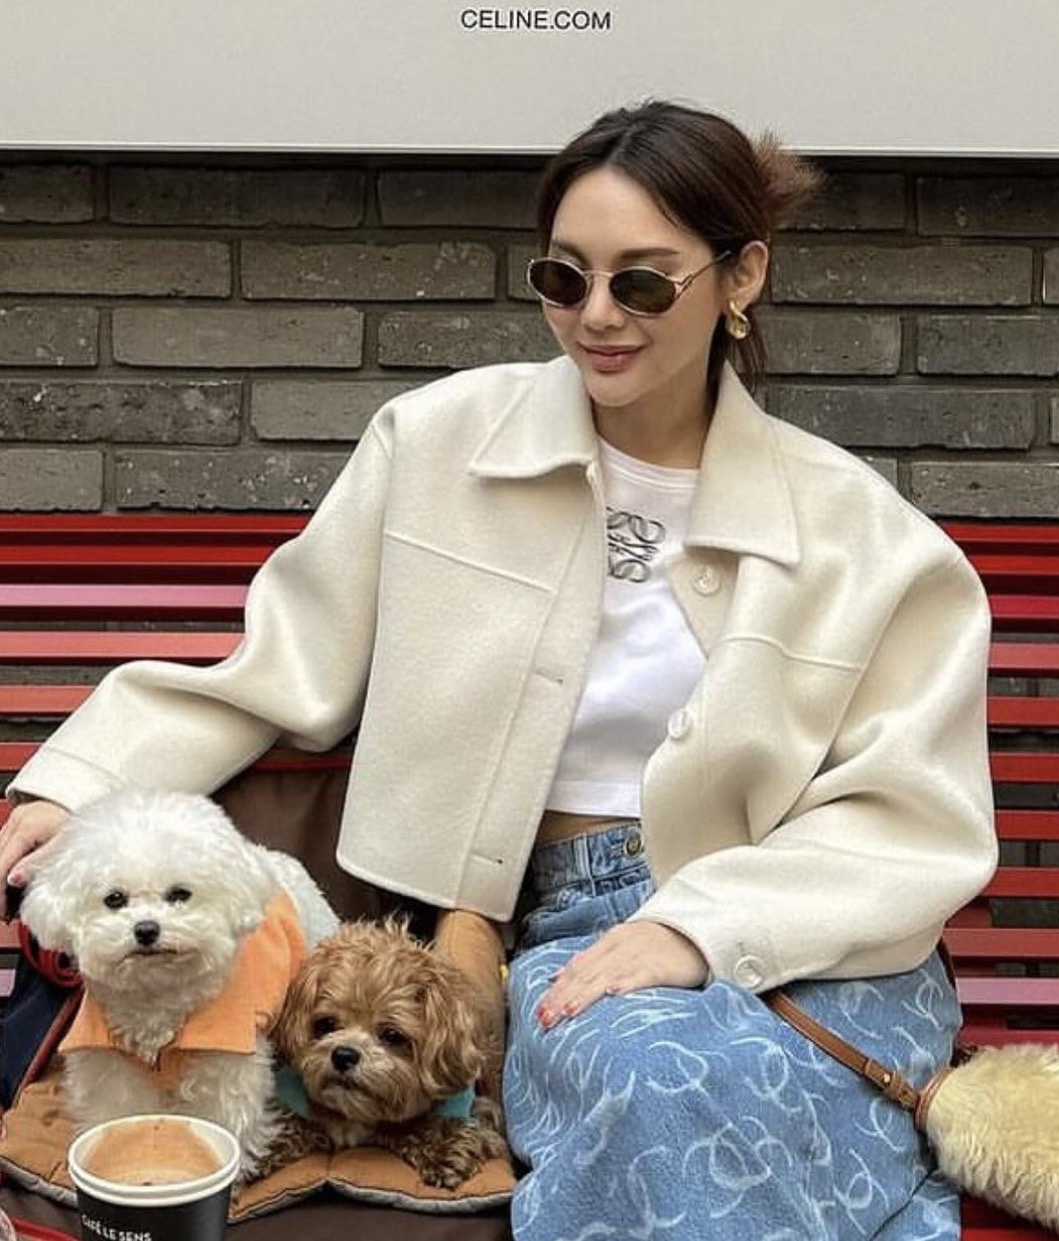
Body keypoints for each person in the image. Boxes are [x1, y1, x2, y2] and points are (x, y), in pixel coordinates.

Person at [0, 100, 996, 1239]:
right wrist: (82, 786)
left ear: (742, 276)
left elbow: (911, 817)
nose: (596, 315)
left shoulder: (862, 532)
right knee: (651, 1082)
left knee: (729, 1086)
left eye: (642, 283)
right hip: (558, 926)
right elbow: (280, 664)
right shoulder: (437, 445)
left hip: (812, 935)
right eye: (563, 278)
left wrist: (700, 925)